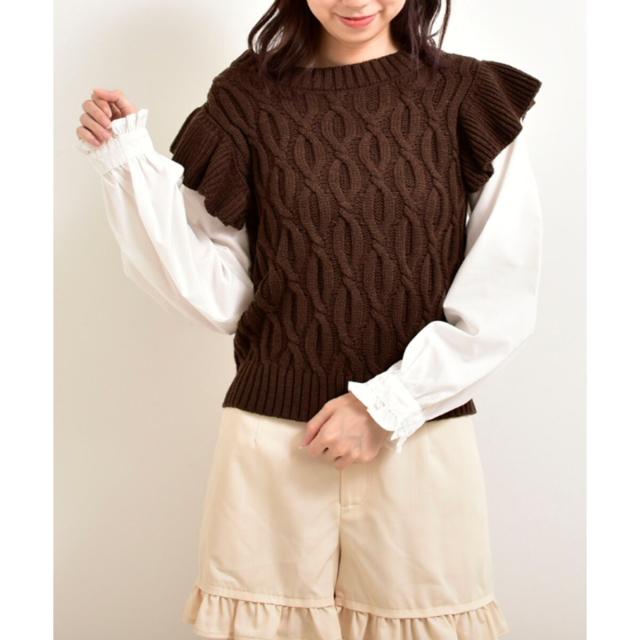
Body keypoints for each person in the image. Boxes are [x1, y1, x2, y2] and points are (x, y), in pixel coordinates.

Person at [75, 1, 543, 638]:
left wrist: (384, 407)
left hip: (419, 437)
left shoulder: (468, 97)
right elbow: (223, 296)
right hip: (273, 444)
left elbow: (500, 297)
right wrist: (129, 166)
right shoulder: (244, 100)